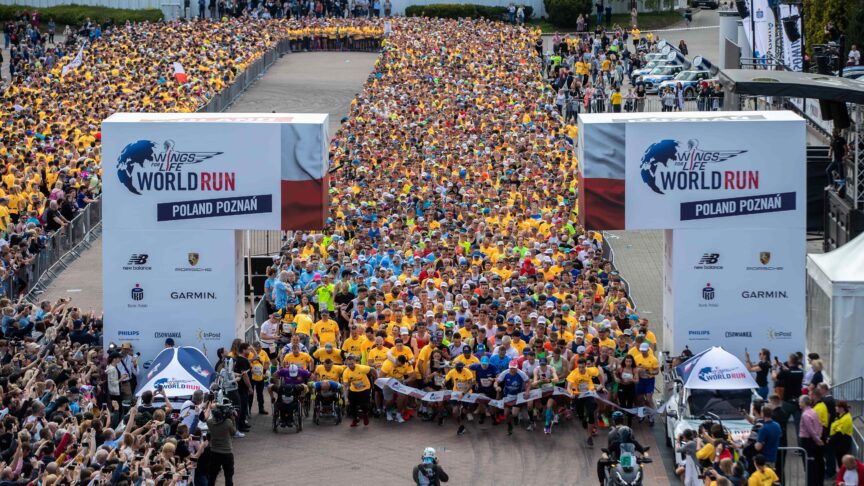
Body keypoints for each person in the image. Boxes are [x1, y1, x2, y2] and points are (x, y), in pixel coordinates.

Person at [205, 399, 236, 486]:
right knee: (228, 476)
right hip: (227, 452)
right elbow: (233, 432)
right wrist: (233, 419)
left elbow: (206, 418)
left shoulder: (210, 423)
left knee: (212, 476)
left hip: (214, 452)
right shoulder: (228, 422)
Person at [799, 394, 825, 486]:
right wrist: (819, 437)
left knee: (809, 463)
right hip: (814, 440)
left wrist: (817, 439)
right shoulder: (814, 412)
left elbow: (810, 430)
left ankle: (811, 483)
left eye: (800, 402)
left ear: (803, 403)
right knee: (816, 463)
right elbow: (820, 425)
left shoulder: (805, 415)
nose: (799, 404)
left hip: (807, 441)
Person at [830, 401, 854, 471]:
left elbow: (840, 432)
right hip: (839, 442)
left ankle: (844, 479)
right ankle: (842, 477)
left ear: (842, 408)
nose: (835, 408)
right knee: (840, 461)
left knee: (843, 462)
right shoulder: (840, 415)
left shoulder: (846, 418)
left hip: (843, 442)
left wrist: (830, 439)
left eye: (837, 407)